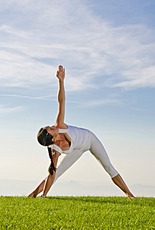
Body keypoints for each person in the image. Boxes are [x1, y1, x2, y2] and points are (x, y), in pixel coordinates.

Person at [28, 65, 135, 198]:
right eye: (50, 129)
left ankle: (130, 195)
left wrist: (61, 81)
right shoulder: (55, 150)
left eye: (49, 126)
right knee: (57, 172)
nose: (52, 126)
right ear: (53, 139)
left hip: (89, 139)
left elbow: (61, 102)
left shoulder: (59, 125)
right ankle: (33, 195)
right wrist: (44, 195)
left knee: (108, 167)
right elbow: (52, 173)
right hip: (77, 149)